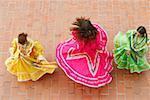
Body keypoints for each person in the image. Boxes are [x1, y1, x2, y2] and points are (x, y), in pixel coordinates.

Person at [56, 17, 113, 88]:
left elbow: (80, 47)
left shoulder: (83, 42)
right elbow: (102, 42)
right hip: (94, 50)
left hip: (87, 50)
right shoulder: (99, 32)